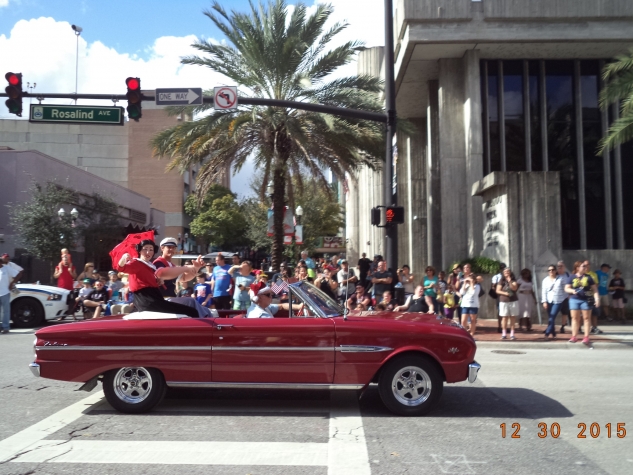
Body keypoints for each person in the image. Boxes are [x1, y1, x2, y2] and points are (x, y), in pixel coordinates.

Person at [117, 239, 202, 319]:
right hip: (148, 300)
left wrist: (195, 269)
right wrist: (123, 258)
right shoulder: (137, 262)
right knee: (191, 311)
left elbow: (183, 278)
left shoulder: (151, 266)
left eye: (151, 249)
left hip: (156, 298)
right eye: (145, 249)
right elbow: (121, 268)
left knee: (190, 309)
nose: (148, 252)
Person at [565, 261, 599, 345]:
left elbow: (595, 289)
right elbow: (566, 288)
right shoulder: (572, 277)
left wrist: (597, 299)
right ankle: (574, 336)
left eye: (585, 266)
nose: (585, 267)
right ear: (577, 268)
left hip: (586, 300)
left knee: (586, 318)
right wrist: (572, 291)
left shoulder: (589, 277)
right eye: (582, 266)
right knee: (574, 318)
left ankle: (586, 337)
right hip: (574, 299)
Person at [541, 264, 568, 339]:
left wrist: (565, 297)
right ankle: (553, 333)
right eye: (549, 270)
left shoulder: (560, 279)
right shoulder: (545, 280)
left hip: (558, 301)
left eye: (553, 270)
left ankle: (547, 333)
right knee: (550, 317)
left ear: (555, 271)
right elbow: (544, 292)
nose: (551, 271)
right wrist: (544, 301)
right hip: (549, 301)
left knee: (552, 316)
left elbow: (565, 288)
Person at [496, 267, 519, 340]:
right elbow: (497, 290)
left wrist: (509, 281)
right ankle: (504, 333)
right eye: (505, 272)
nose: (506, 273)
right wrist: (505, 293)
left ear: (510, 272)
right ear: (503, 273)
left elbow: (514, 288)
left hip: (513, 301)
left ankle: (512, 334)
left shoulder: (514, 280)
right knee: (504, 317)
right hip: (504, 301)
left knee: (512, 317)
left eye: (508, 271)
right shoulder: (501, 280)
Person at [0, 257, 20, 333]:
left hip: (5, 292)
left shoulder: (7, 268)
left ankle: (5, 327)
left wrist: (12, 283)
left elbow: (18, 274)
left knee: (6, 311)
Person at [583, 260, 603, 335]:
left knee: (595, 312)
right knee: (583, 314)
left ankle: (594, 327)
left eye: (588, 265)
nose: (586, 266)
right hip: (583, 296)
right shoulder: (581, 274)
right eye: (584, 265)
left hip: (592, 295)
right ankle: (580, 328)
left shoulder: (593, 274)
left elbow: (596, 285)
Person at [491, 263, 506, 333]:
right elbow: (493, 286)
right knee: (500, 311)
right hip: (499, 296)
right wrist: (497, 293)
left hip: (506, 296)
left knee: (505, 312)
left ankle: (504, 327)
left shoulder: (508, 276)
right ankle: (500, 326)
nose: (502, 269)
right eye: (501, 268)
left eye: (503, 268)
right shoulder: (496, 277)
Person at [556, 261, 571, 333]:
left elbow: (571, 284)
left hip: (565, 297)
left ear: (564, 267)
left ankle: (563, 326)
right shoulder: (555, 275)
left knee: (564, 313)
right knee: (553, 313)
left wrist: (569, 295)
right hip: (556, 297)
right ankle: (550, 326)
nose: (560, 267)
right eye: (558, 266)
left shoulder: (568, 275)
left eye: (561, 266)